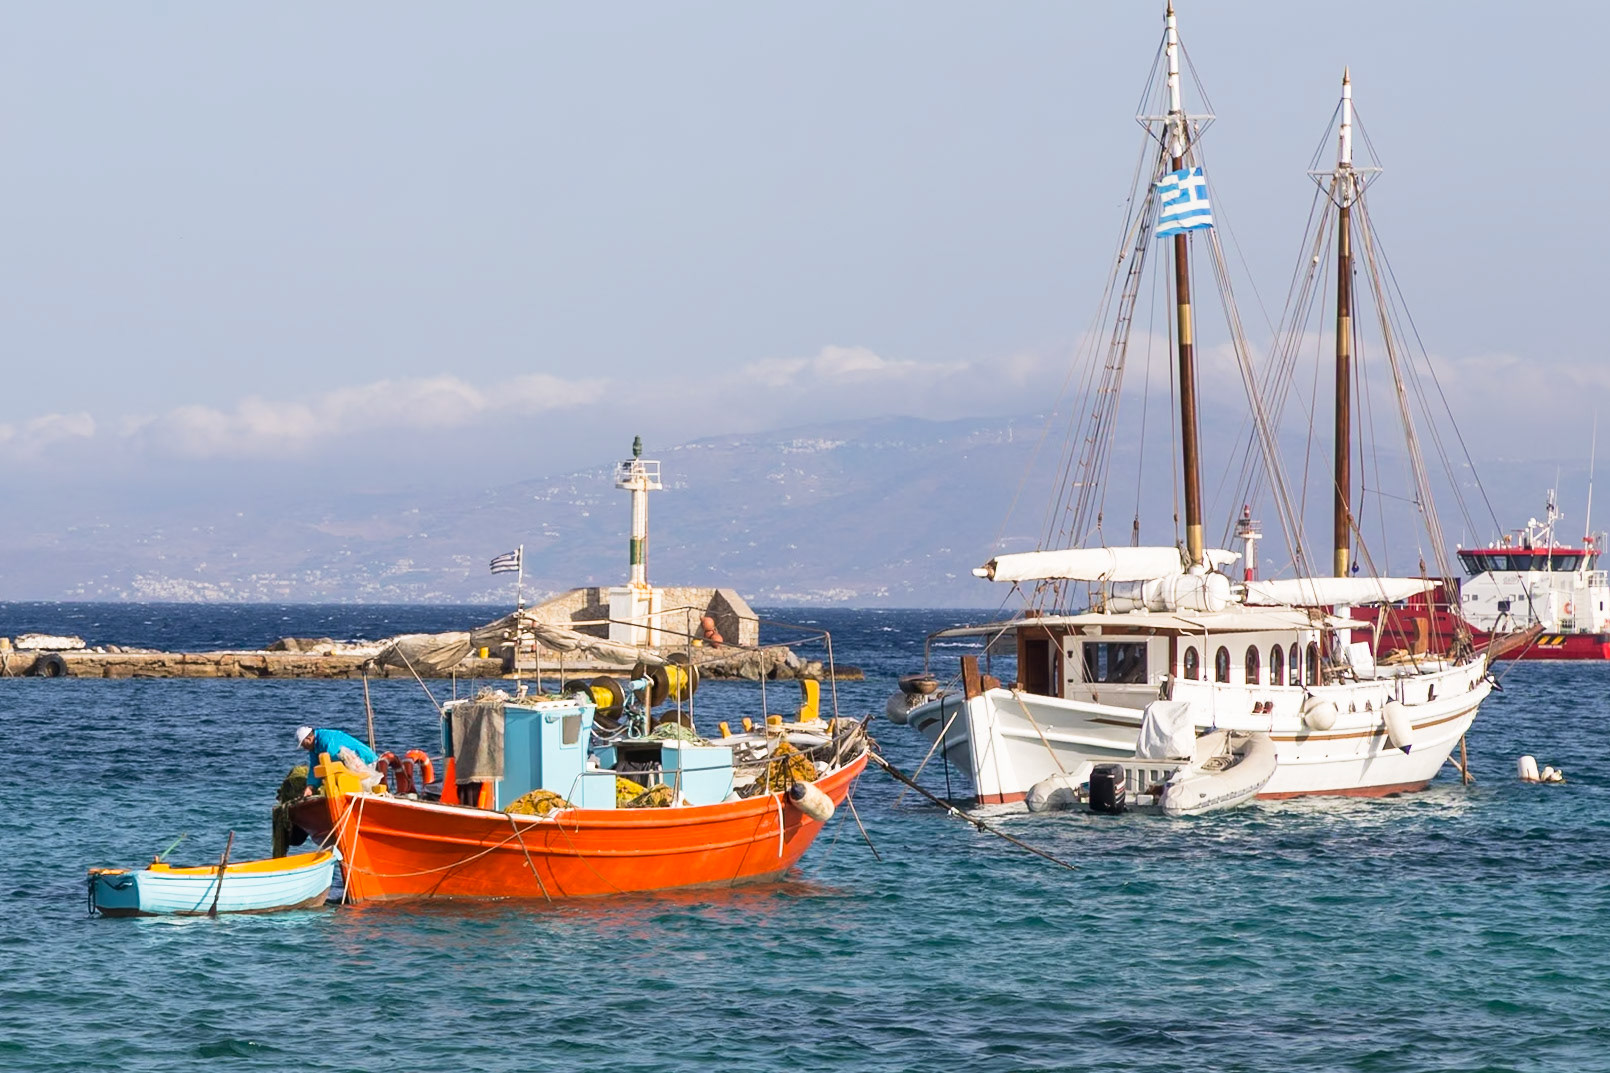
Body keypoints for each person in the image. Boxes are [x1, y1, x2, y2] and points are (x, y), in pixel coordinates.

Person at [296, 725, 379, 795]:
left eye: (303, 744)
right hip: (352, 767)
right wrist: (310, 787)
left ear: (309, 739)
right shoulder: (314, 748)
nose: (304, 748)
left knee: (370, 787)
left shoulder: (326, 740)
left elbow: (337, 761)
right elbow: (315, 767)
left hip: (365, 761)